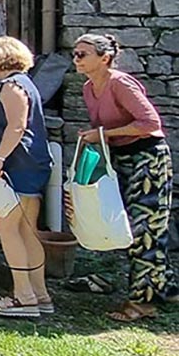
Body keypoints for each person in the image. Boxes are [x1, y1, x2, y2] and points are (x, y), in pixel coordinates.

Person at [72, 33, 176, 321]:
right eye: (75, 54)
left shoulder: (120, 82)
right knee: (132, 226)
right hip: (121, 160)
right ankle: (165, 288)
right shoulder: (88, 88)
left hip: (148, 160)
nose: (76, 59)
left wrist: (104, 134)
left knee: (145, 229)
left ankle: (144, 304)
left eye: (83, 54)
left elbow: (150, 122)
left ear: (104, 58)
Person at [0, 36, 53, 318]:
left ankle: (23, 297)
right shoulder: (28, 83)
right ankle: (40, 293)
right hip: (31, 165)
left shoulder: (11, 86)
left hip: (16, 166)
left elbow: (16, 126)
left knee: (6, 227)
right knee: (26, 230)